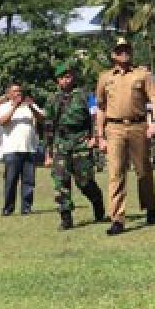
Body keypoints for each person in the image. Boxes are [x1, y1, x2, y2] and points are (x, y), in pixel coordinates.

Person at [95, 37, 155, 235]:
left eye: (127, 49)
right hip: (114, 128)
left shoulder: (143, 74)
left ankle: (150, 208)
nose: (124, 53)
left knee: (143, 171)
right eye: (119, 50)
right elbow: (100, 107)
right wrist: (100, 135)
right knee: (115, 173)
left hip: (138, 126)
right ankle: (117, 219)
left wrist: (154, 122)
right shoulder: (105, 78)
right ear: (113, 54)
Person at [44, 61, 106, 231]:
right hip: (60, 144)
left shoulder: (86, 95)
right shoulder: (52, 99)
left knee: (84, 181)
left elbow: (95, 116)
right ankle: (66, 217)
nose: (67, 79)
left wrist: (95, 136)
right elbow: (48, 126)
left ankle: (97, 202)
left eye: (69, 76)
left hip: (81, 142)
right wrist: (48, 152)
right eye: (63, 77)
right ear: (58, 80)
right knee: (60, 182)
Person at [0, 83, 43, 216]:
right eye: (15, 91)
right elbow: (2, 121)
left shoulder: (29, 106)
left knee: (29, 181)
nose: (18, 93)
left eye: (20, 91)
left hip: (29, 149)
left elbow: (43, 119)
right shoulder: (3, 107)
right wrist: (15, 106)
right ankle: (8, 208)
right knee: (11, 181)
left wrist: (32, 106)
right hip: (12, 150)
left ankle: (26, 208)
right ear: (9, 94)